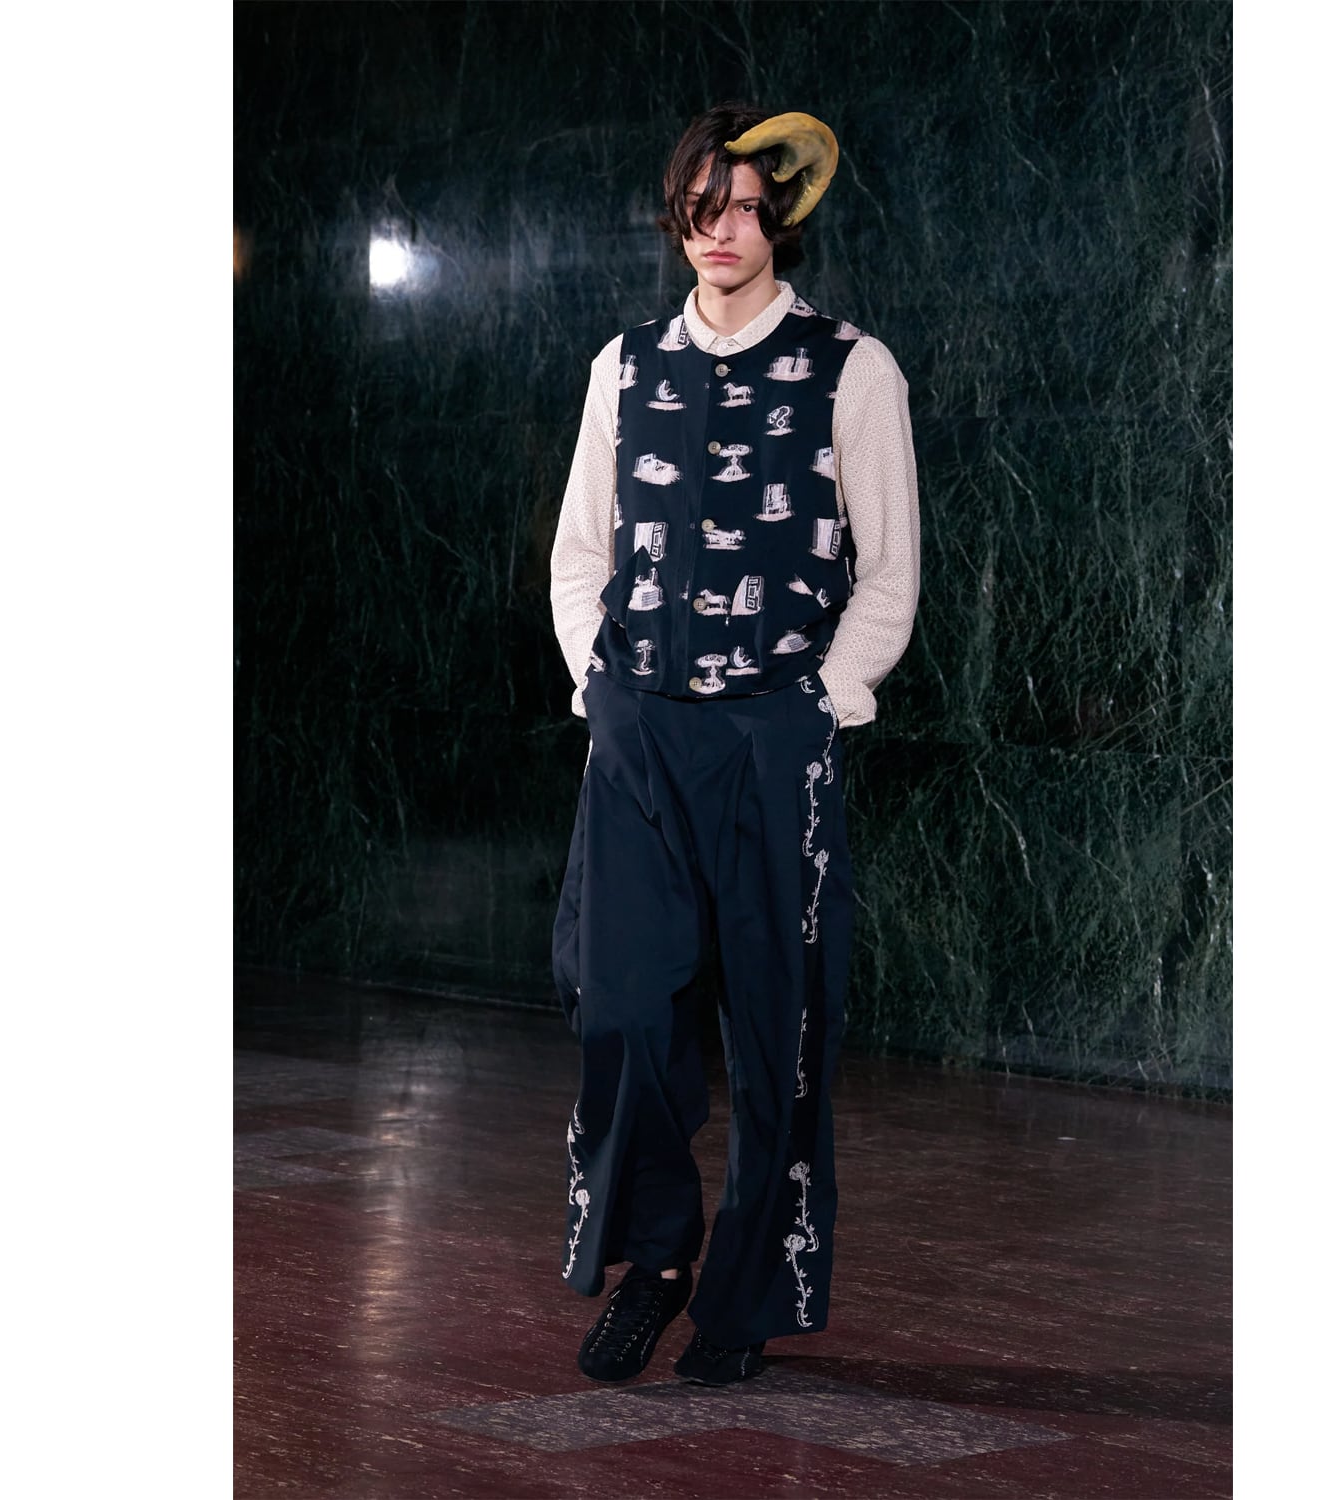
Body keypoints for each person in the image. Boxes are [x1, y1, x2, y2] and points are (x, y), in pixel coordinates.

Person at [548, 102, 920, 1387]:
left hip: (772, 738)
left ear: (783, 222)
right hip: (640, 734)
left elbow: (889, 571)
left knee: (780, 1027)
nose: (724, 233)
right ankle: (655, 1262)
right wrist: (600, 688)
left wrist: (824, 699)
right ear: (679, 219)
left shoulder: (851, 368)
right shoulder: (623, 367)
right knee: (621, 1008)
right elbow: (582, 551)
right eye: (704, 209)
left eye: (748, 210)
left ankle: (744, 1299)